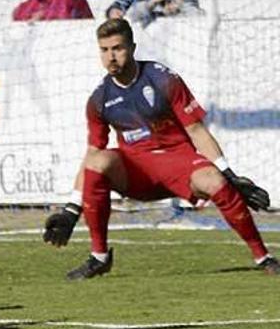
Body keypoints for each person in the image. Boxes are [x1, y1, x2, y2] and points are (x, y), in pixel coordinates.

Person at [42, 18, 279, 280]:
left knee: (214, 181)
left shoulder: (163, 79)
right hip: (136, 171)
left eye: (117, 48)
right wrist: (72, 210)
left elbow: (196, 130)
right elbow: (91, 155)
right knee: (98, 160)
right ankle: (99, 257)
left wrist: (229, 175)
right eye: (104, 50)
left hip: (179, 162)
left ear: (132, 47)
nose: (111, 56)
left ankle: (263, 257)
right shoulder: (99, 99)